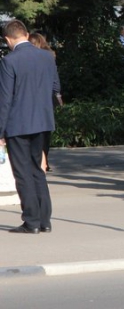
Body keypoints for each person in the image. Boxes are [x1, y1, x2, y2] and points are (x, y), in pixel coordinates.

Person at [0, 20, 60, 234]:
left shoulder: (9, 61)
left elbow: (5, 99)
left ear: (8, 39)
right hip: (43, 121)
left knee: (23, 172)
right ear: (26, 34)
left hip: (18, 123)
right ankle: (45, 220)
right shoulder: (47, 57)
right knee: (37, 170)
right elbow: (55, 87)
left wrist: (0, 130)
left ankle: (31, 221)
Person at [28, 33, 60, 173]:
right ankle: (44, 161)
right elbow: (56, 83)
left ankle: (36, 162)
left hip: (31, 100)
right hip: (47, 101)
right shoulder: (49, 57)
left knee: (33, 132)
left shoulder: (28, 59)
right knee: (45, 133)